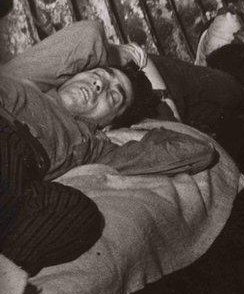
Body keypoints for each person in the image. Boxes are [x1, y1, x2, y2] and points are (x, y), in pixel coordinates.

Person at [0, 20, 216, 273]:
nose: (100, 86)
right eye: (100, 75)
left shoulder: (96, 147)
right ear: (75, 72)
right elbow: (87, 32)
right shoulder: (30, 79)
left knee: (79, 216)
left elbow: (199, 151)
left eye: (113, 97)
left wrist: (166, 105)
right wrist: (119, 54)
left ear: (108, 125)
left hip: (14, 168)